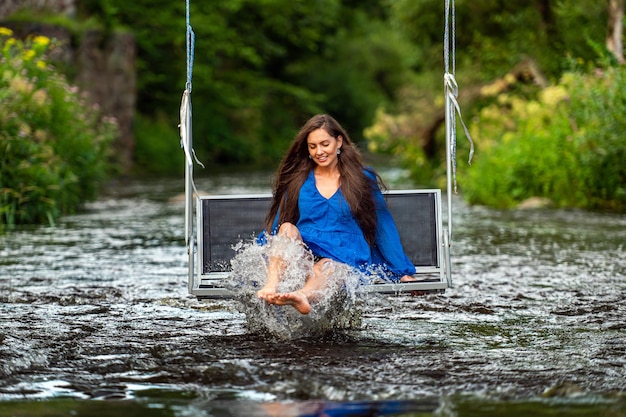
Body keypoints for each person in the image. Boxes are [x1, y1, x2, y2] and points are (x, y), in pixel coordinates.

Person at [256, 114, 416, 314]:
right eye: (312, 146)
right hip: (306, 250)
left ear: (338, 141)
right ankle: (271, 286)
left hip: (344, 253)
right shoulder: (298, 179)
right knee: (288, 228)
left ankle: (302, 296)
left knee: (328, 267)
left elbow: (383, 225)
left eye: (324, 144)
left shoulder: (361, 178)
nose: (319, 152)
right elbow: (280, 225)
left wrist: (401, 271)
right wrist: (268, 257)